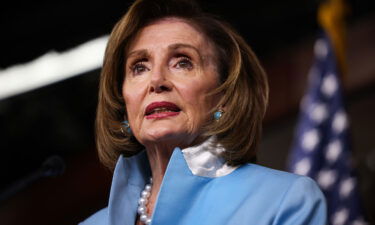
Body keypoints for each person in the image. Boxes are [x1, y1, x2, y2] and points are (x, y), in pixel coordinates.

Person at [80, 0, 327, 224]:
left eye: (183, 62)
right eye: (139, 67)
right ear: (123, 104)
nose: (156, 80)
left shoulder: (284, 201)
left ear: (225, 96)